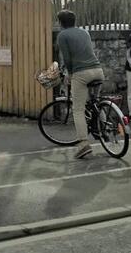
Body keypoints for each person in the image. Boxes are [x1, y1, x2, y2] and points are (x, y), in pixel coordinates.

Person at [56, 9, 105, 160]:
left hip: (81, 73)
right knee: (96, 102)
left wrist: (69, 75)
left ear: (60, 22)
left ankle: (84, 144)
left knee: (78, 109)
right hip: (97, 70)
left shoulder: (62, 35)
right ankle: (105, 129)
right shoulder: (85, 32)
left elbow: (67, 58)